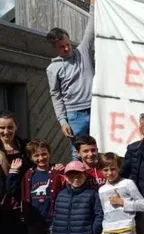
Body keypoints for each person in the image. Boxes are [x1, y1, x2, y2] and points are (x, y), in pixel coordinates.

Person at [45, 0, 96, 159]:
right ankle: (78, 183)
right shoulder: (53, 69)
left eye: (67, 44)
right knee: (78, 152)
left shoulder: (83, 51)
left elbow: (91, 28)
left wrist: (93, 5)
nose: (67, 48)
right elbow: (56, 96)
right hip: (74, 115)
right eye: (62, 47)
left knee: (98, 149)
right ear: (55, 48)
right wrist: (63, 121)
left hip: (95, 109)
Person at [0, 112, 37, 234]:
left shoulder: (24, 147)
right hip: (1, 208)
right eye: (2, 128)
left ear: (16, 127)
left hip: (21, 207)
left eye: (9, 127)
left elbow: (37, 164)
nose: (6, 132)